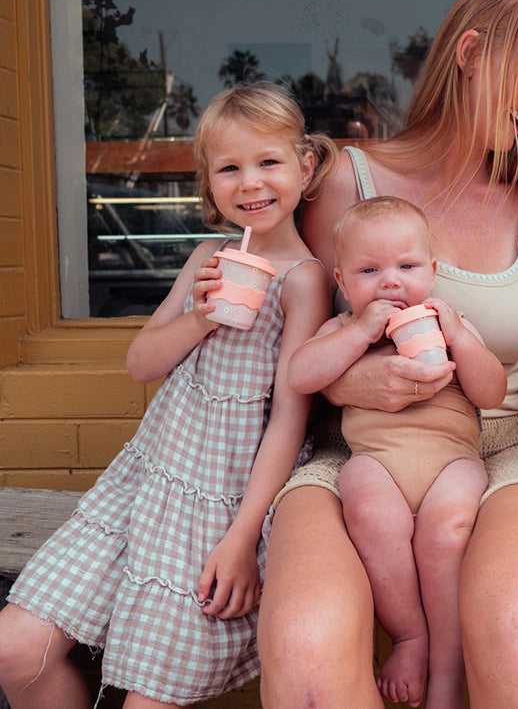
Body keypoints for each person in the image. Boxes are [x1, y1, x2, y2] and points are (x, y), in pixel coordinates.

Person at [257, 0, 518, 709]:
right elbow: (285, 353)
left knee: (515, 633)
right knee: (304, 652)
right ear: (471, 53)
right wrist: (345, 382)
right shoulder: (345, 182)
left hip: (496, 449)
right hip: (354, 453)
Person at [0, 82, 337, 708]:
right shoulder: (209, 257)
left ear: (305, 166)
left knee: (148, 696)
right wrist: (202, 314)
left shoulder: (305, 281)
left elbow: (291, 421)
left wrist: (241, 540)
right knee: (15, 649)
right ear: (208, 185)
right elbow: (139, 363)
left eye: (269, 162)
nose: (251, 182)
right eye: (229, 168)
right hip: (146, 486)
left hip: (224, 507)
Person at [289, 195, 507, 707]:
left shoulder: (450, 322)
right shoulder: (344, 328)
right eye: (369, 270)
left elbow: (492, 393)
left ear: (432, 271)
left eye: (406, 266)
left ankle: (448, 676)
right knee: (362, 500)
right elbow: (301, 375)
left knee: (447, 532)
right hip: (378, 463)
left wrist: (459, 338)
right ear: (342, 282)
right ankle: (411, 636)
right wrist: (361, 331)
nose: (391, 281)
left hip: (451, 461)